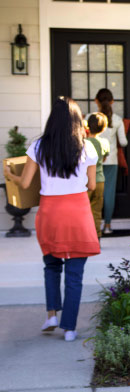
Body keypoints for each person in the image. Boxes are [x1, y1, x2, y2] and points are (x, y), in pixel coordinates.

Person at [4, 97, 100, 341]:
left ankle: (51, 315)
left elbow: (25, 183)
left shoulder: (38, 146)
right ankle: (69, 328)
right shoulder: (87, 147)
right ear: (77, 120)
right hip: (77, 212)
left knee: (52, 265)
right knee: (75, 273)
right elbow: (91, 185)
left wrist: (10, 176)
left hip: (50, 212)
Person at [94, 88, 127, 235]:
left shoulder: (90, 118)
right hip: (111, 161)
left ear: (96, 101)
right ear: (112, 102)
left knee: (93, 193)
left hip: (93, 161)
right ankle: (107, 226)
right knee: (108, 193)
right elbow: (124, 142)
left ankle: (92, 226)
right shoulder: (118, 120)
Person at [86, 113, 110, 239]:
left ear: (88, 126)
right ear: (103, 128)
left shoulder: (83, 142)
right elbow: (104, 158)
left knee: (83, 211)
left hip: (85, 181)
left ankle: (84, 237)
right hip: (100, 180)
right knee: (96, 211)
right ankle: (97, 237)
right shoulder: (104, 142)